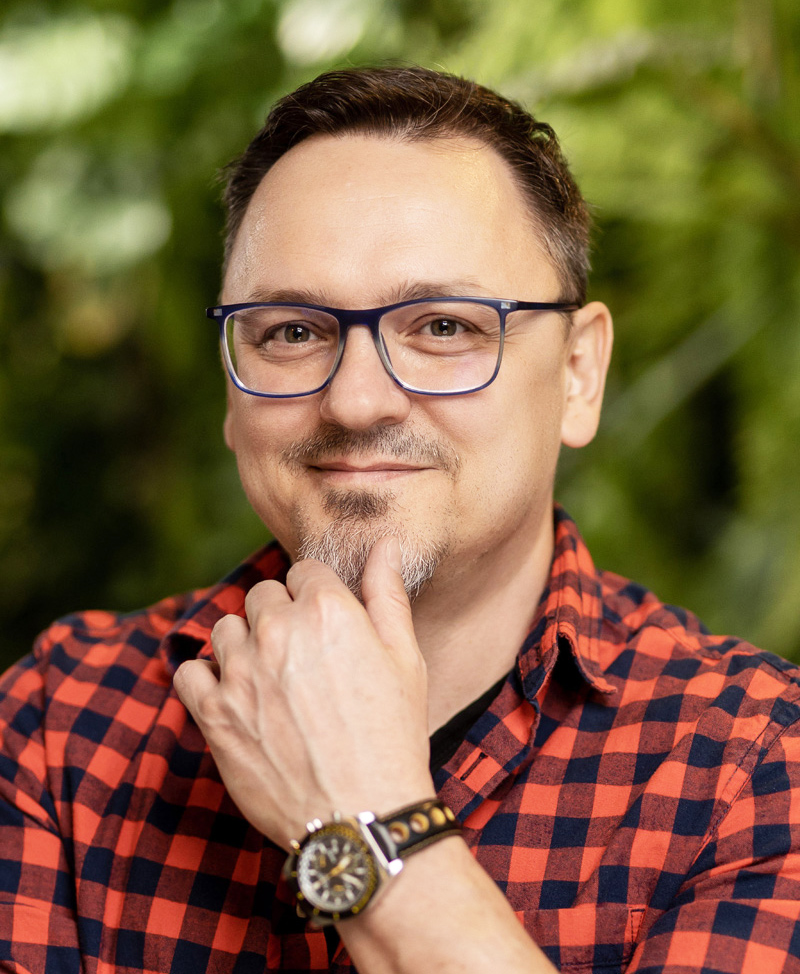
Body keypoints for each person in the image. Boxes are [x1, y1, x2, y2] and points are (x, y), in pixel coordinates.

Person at [1, 65, 799, 974]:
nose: (356, 400)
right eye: (292, 331)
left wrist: (365, 819)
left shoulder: (757, 768)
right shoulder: (60, 727)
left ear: (579, 373)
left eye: (444, 327)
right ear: (232, 384)